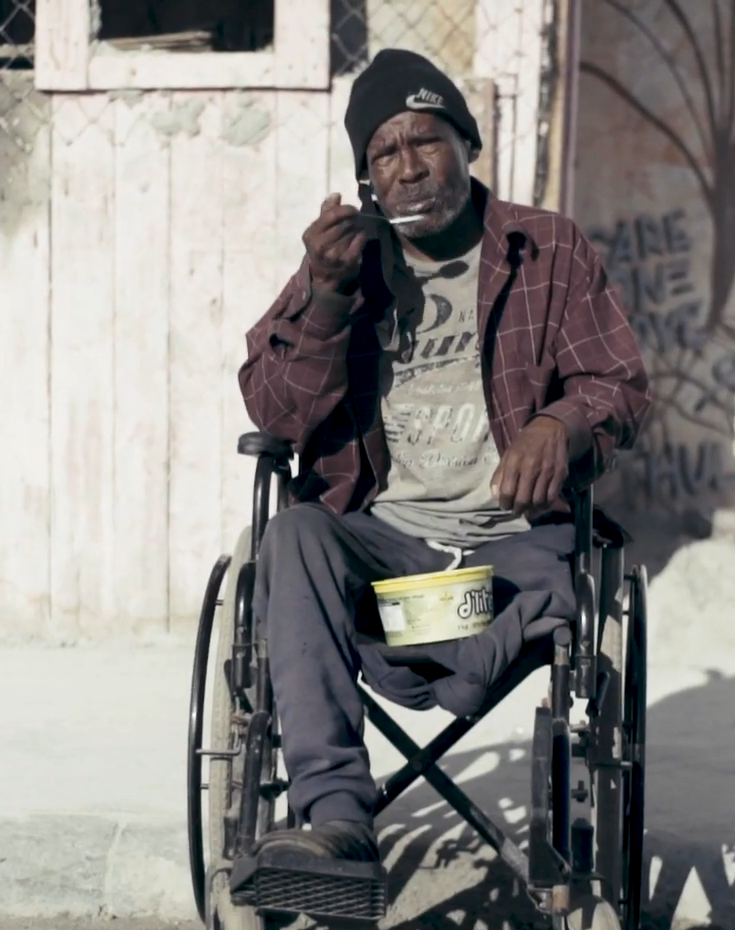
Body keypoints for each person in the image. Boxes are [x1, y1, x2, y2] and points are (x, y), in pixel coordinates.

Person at [239, 48, 651, 863]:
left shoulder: (547, 247)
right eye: (384, 154)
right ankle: (334, 819)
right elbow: (276, 414)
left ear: (467, 144)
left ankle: (454, 653)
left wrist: (560, 426)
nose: (408, 168)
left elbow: (619, 382)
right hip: (387, 544)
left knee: (555, 592)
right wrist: (324, 299)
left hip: (513, 543)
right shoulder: (344, 265)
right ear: (365, 178)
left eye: (426, 141)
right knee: (293, 538)